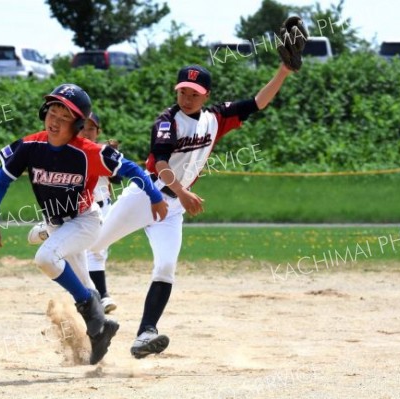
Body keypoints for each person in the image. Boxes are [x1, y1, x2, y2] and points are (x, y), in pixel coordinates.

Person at [90, 64, 293, 358]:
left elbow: (258, 102)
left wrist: (283, 71)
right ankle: (57, 229)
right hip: (147, 194)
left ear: (206, 94)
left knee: (165, 267)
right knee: (93, 245)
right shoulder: (166, 121)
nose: (187, 98)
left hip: (172, 209)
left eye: (194, 93)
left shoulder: (215, 118)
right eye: (183, 91)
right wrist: (184, 192)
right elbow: (160, 163)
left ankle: (145, 333)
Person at [0, 83, 168, 365]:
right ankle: (101, 332)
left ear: (78, 124)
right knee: (85, 287)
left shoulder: (87, 152)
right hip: (58, 224)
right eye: (52, 112)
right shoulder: (30, 146)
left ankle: (91, 311)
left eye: (64, 117)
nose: (55, 121)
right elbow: (1, 180)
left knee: (45, 257)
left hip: (84, 221)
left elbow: (130, 168)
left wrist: (155, 196)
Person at [78, 112, 120, 314]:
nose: (87, 132)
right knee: (84, 252)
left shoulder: (104, 152)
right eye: (83, 127)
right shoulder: (71, 151)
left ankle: (97, 296)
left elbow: (118, 179)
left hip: (103, 207)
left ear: (98, 131)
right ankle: (95, 296)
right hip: (80, 209)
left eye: (91, 128)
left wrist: (111, 157)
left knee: (96, 252)